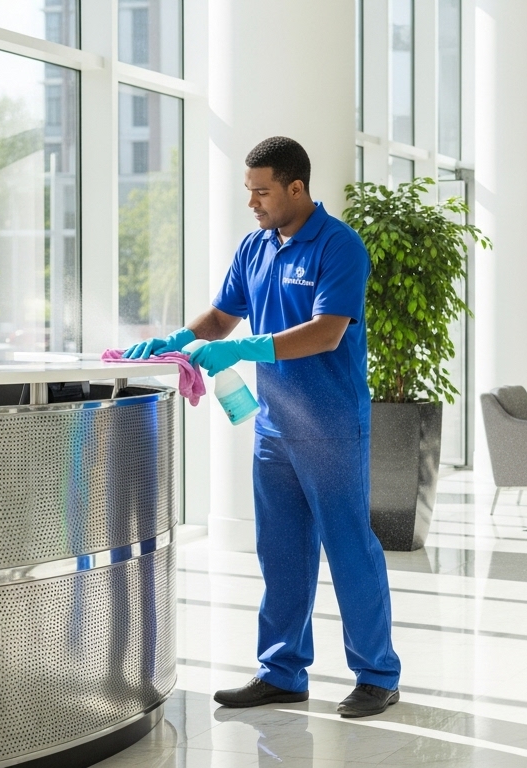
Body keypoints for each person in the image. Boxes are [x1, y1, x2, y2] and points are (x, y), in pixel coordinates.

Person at [124, 136, 401, 717]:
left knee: (349, 549)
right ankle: (282, 671)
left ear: (296, 188)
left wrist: (246, 348)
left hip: (331, 425)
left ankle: (377, 675)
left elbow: (327, 331)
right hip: (274, 427)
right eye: (249, 191)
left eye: (262, 192)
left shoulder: (339, 246)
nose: (252, 202)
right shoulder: (255, 246)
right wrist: (178, 340)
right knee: (281, 552)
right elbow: (223, 315)